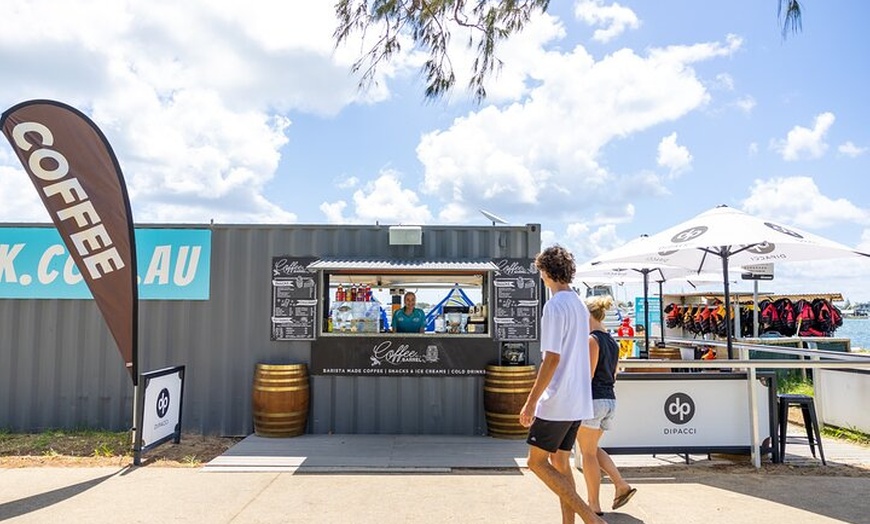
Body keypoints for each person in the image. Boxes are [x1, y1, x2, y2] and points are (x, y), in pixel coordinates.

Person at [519, 245, 605, 524]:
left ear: (545, 271)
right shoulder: (579, 304)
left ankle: (592, 519)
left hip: (557, 400)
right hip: (578, 400)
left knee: (536, 463)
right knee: (560, 462)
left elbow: (552, 358)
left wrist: (532, 401)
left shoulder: (554, 306)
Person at [577, 295, 637, 515]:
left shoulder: (592, 340)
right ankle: (621, 484)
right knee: (591, 448)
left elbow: (588, 376)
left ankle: (593, 504)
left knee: (588, 454)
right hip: (609, 400)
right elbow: (613, 374)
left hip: (593, 400)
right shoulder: (612, 341)